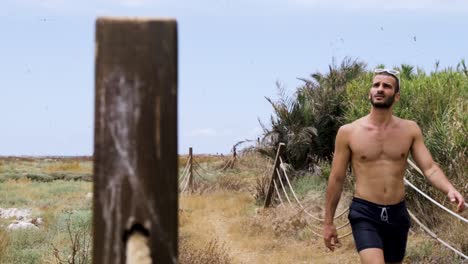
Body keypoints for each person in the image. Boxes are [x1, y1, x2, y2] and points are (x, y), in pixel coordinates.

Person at [323, 68, 465, 263]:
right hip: (365, 212)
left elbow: (430, 168)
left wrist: (450, 189)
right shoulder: (348, 132)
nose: (380, 89)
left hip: (397, 214)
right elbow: (337, 178)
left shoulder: (410, 130)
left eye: (386, 86)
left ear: (396, 96)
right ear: (369, 93)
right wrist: (328, 222)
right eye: (376, 85)